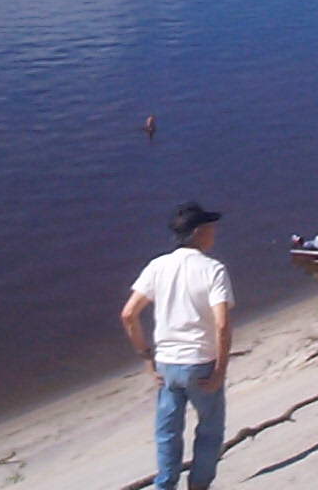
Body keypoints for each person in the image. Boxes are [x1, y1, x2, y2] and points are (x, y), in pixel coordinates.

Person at [121, 202, 235, 490]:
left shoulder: (157, 267)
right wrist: (220, 369)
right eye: (210, 228)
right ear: (198, 233)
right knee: (209, 430)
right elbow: (222, 324)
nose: (214, 232)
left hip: (168, 364)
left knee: (168, 432)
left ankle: (165, 484)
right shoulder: (213, 270)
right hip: (201, 362)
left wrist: (147, 358)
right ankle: (198, 485)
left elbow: (129, 314)